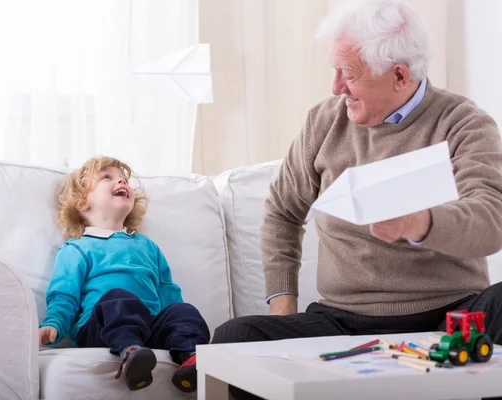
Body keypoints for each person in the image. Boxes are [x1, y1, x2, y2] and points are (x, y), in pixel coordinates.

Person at [213, 0, 502, 397]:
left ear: (399, 75)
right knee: (236, 336)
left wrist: (420, 223)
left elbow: (491, 219)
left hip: (448, 317)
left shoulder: (463, 123)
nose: (335, 87)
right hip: (343, 324)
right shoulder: (325, 121)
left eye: (347, 73)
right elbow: (281, 211)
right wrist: (284, 307)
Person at [39, 155, 210, 393]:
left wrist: (178, 323)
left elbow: (168, 294)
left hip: (149, 327)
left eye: (124, 179)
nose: (121, 181)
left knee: (184, 310)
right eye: (106, 177)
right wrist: (53, 323)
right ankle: (131, 352)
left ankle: (191, 357)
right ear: (81, 202)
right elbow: (64, 295)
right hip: (99, 327)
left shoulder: (148, 247)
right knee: (117, 298)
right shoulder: (77, 248)